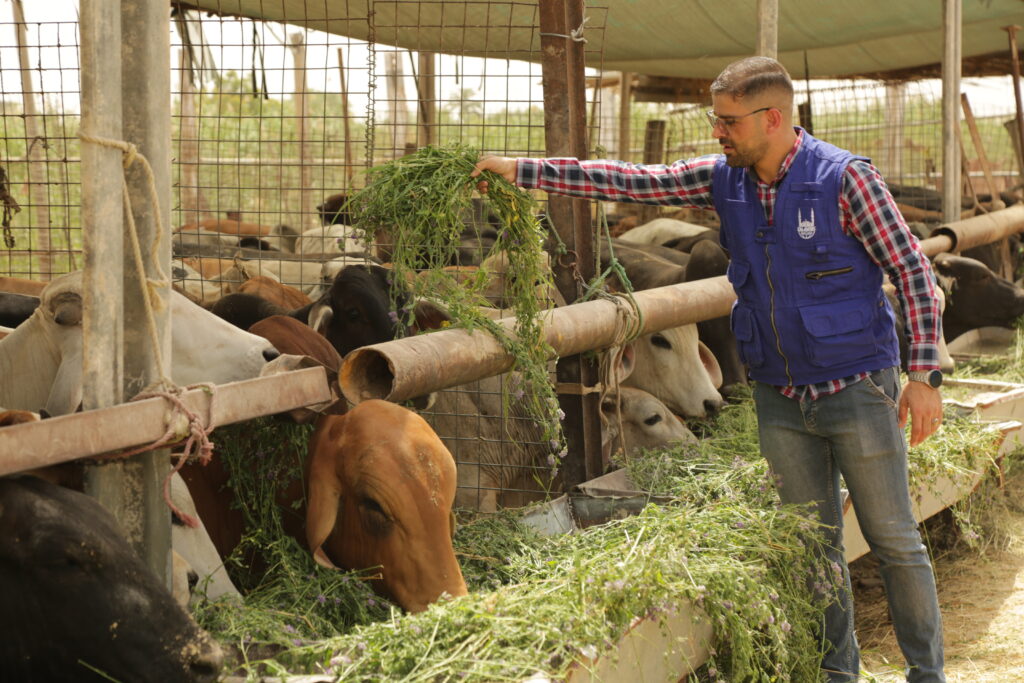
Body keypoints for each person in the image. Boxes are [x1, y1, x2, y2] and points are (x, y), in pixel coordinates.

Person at [472, 56, 945, 682]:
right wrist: (523, 170)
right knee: (812, 546)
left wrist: (923, 377)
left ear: (771, 118)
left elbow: (912, 272)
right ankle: (838, 674)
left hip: (858, 388)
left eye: (727, 122)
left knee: (893, 540)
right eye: (715, 121)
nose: (717, 133)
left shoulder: (845, 181)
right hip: (780, 398)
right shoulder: (727, 180)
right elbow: (628, 181)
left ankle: (926, 675)